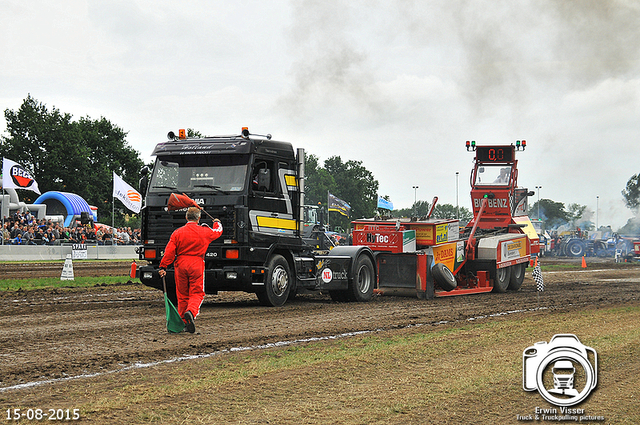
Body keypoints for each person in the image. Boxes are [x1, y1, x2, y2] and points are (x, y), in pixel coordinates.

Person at [158, 207, 223, 333]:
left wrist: (163, 266)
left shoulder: (177, 232)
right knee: (197, 293)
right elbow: (218, 232)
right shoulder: (204, 231)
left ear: (186, 217)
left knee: (182, 295)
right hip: (197, 263)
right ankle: (191, 312)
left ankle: (183, 321)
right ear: (199, 218)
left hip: (180, 264)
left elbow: (169, 252)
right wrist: (217, 222)